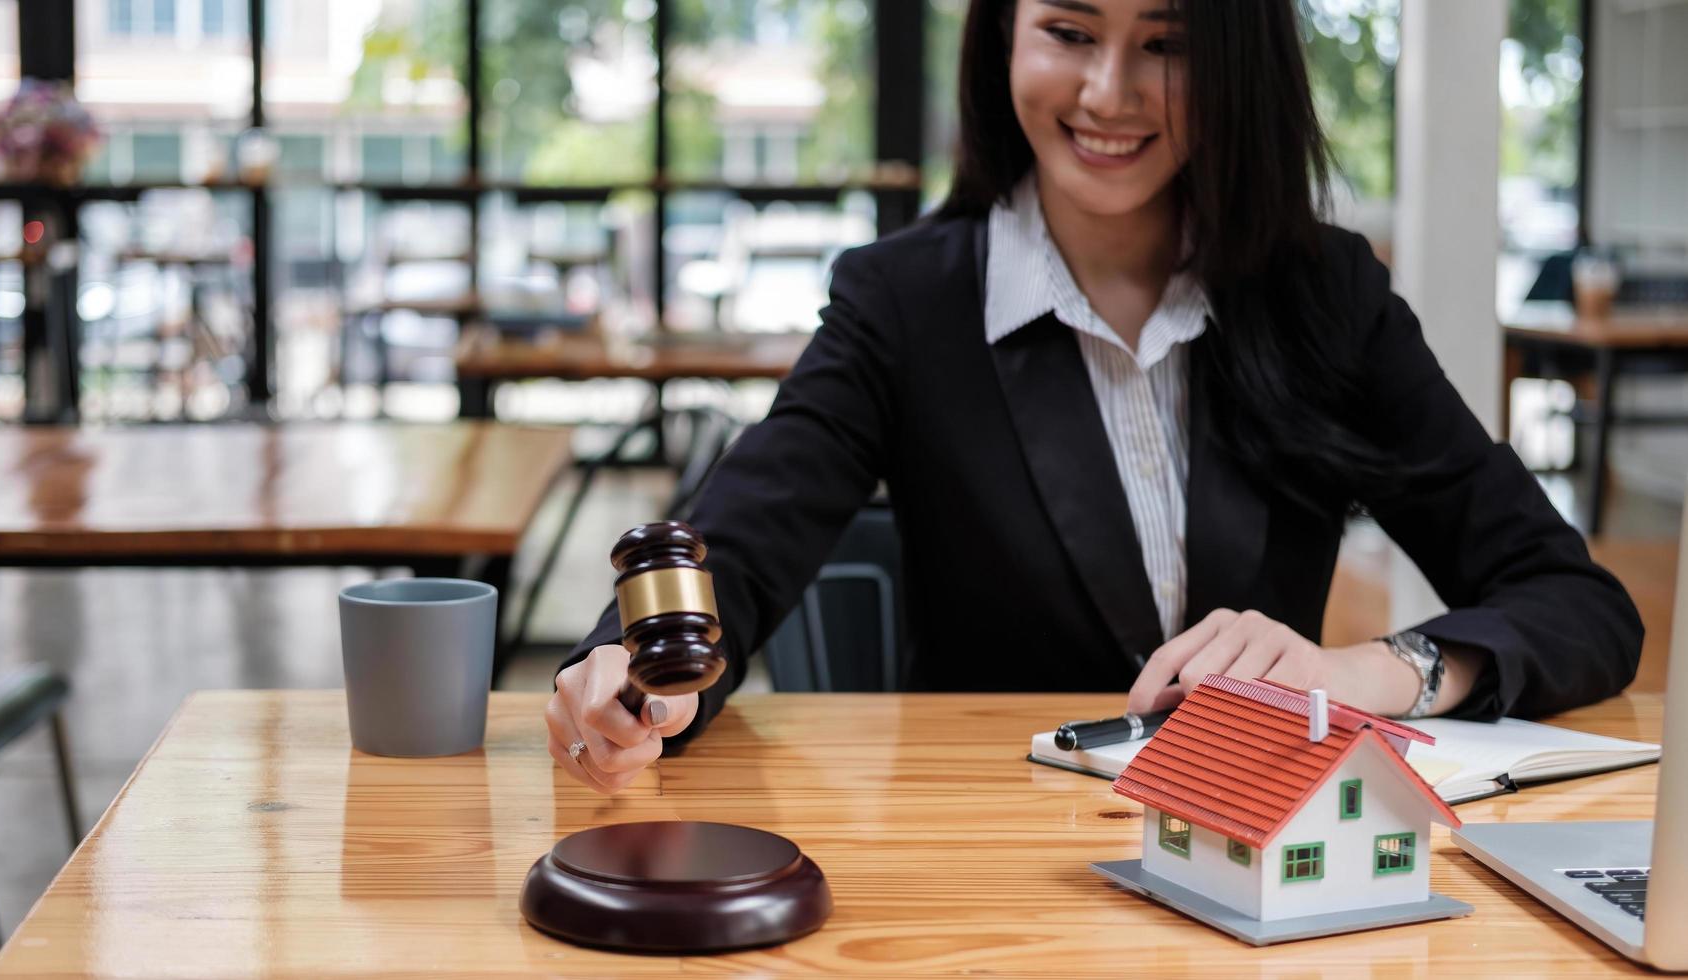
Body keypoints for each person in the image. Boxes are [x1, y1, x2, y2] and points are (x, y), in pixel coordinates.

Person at [543, 0, 1643, 794]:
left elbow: (1579, 605)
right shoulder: (905, 300)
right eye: (1069, 32)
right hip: (992, 872)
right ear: (1003, 36)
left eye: (1165, 44)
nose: (1108, 94)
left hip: (1264, 864)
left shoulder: (1324, 294)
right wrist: (628, 676)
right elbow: (734, 550)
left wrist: (1372, 671)